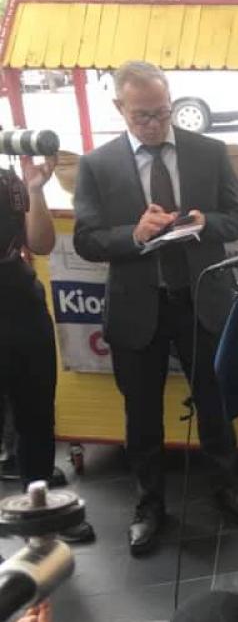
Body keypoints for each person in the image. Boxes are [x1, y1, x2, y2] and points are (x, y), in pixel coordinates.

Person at [72, 60, 238, 557]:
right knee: (142, 413)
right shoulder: (97, 165)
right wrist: (134, 234)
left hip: (201, 299)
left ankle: (224, 487)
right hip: (139, 306)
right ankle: (150, 502)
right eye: (142, 116)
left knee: (215, 402)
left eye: (162, 112)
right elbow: (87, 240)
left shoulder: (209, 151)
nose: (155, 124)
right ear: (120, 108)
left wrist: (206, 222)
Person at [0, 152, 94, 543]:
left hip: (20, 301)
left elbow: (39, 242)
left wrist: (36, 190)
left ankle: (41, 513)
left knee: (37, 414)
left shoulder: (7, 182)